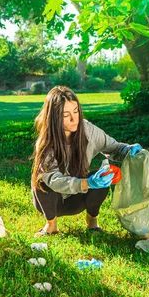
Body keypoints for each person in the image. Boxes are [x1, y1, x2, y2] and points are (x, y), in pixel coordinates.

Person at [30, 86, 142, 237]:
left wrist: (129, 150)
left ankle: (92, 221)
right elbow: (55, 181)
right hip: (52, 203)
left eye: (76, 111)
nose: (74, 119)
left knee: (103, 176)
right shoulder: (46, 143)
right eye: (66, 115)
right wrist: (87, 183)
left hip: (77, 200)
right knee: (41, 180)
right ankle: (51, 225)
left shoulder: (87, 130)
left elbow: (113, 148)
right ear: (54, 117)